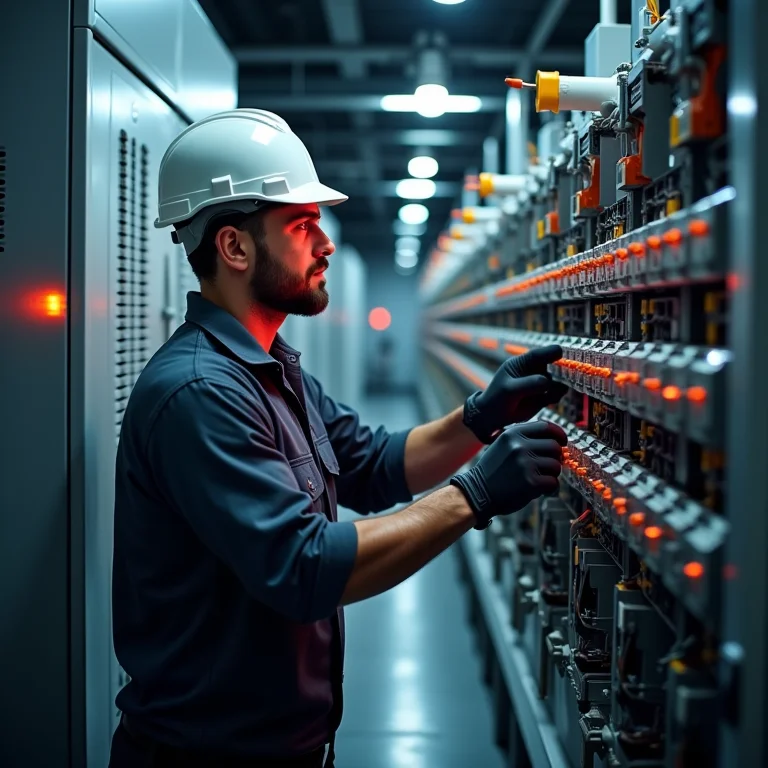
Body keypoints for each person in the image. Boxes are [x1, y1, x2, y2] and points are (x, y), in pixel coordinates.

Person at [108, 109, 568, 768]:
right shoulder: (200, 394)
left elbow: (374, 464)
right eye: (302, 226)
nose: (324, 244)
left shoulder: (270, 369)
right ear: (235, 248)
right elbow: (304, 566)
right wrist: (473, 494)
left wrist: (481, 416)